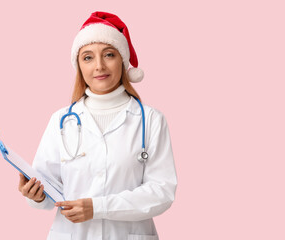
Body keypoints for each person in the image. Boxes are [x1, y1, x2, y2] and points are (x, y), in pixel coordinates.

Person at [18, 11, 177, 240]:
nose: (99, 66)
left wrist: (98, 207)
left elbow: (161, 193)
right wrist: (36, 196)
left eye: (109, 54)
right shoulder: (61, 121)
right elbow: (50, 188)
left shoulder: (151, 120)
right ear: (79, 66)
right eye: (88, 57)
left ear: (122, 60)